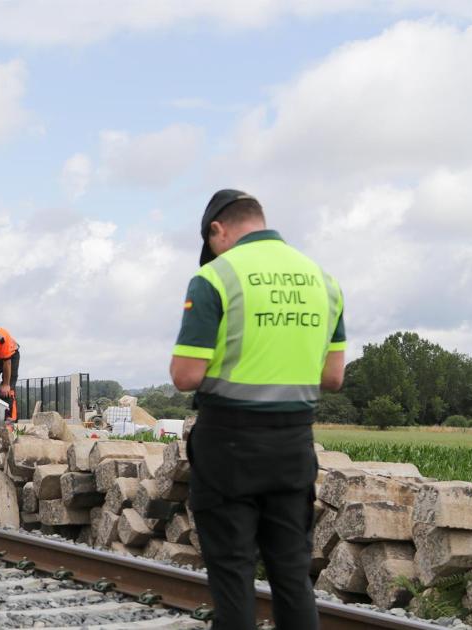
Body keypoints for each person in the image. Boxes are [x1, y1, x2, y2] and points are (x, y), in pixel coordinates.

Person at [169, 190, 345, 630]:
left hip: (229, 443)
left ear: (217, 230)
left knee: (232, 573)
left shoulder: (215, 278)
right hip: (293, 445)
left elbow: (185, 375)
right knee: (291, 575)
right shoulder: (323, 281)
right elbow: (333, 377)